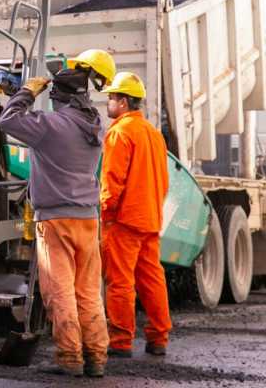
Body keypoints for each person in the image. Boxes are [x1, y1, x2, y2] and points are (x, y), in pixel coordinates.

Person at [0, 49, 117, 378]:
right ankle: (96, 357)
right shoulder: (94, 124)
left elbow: (8, 120)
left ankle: (70, 357)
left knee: (60, 291)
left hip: (55, 222)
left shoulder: (50, 126)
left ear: (58, 97)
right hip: (87, 218)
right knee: (88, 292)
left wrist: (25, 93)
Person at [99, 71, 172, 358]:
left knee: (119, 282)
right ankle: (159, 338)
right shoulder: (154, 134)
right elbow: (163, 180)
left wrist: (105, 213)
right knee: (152, 280)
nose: (108, 102)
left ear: (124, 101)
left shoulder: (120, 132)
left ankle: (120, 341)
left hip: (123, 220)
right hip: (149, 218)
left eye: (112, 98)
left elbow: (112, 180)